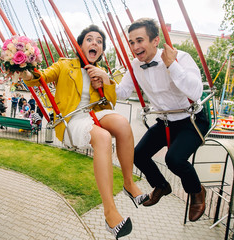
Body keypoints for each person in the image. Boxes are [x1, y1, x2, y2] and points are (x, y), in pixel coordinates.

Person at [20, 25, 147, 239]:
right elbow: (40, 77)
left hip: (93, 114)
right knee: (103, 137)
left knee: (124, 125)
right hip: (71, 119)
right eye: (90, 39)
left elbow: (111, 102)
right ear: (80, 45)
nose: (95, 43)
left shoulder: (100, 71)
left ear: (101, 50)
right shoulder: (64, 65)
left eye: (99, 41)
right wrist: (25, 68)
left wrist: (105, 79)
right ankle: (110, 213)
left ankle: (128, 183)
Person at [92, 18, 209, 222]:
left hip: (191, 119)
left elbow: (196, 90)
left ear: (155, 41)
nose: (135, 47)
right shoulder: (135, 66)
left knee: (173, 159)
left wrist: (172, 65)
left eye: (140, 40)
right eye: (131, 42)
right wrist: (104, 79)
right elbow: (122, 92)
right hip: (166, 122)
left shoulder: (181, 58)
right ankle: (162, 186)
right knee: (137, 155)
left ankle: (197, 191)